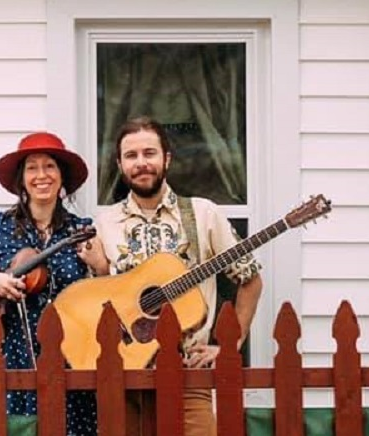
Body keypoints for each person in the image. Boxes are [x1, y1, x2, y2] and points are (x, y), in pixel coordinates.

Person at [94, 116, 264, 436]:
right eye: (131, 156)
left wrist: (230, 344)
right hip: (125, 377)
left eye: (149, 153)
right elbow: (100, 298)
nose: (141, 163)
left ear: (166, 159)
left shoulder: (202, 214)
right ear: (120, 164)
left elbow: (250, 279)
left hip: (189, 377)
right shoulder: (106, 224)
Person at [0, 132, 109, 435]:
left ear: (62, 178)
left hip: (67, 359)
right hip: (7, 356)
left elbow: (105, 303)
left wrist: (100, 267)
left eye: (50, 167)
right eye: (32, 168)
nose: (41, 175)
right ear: (21, 180)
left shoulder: (82, 230)